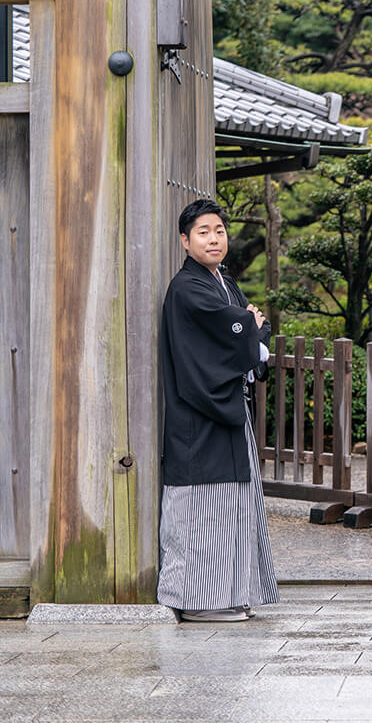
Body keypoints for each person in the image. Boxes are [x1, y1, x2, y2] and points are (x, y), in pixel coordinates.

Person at [157, 199, 279, 622]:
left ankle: (230, 593)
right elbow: (246, 328)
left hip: (227, 409)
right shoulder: (188, 288)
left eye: (220, 231)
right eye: (203, 231)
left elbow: (252, 327)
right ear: (185, 240)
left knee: (233, 508)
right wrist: (251, 329)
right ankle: (196, 599)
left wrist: (251, 329)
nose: (214, 238)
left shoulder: (220, 281)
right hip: (200, 414)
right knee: (200, 509)